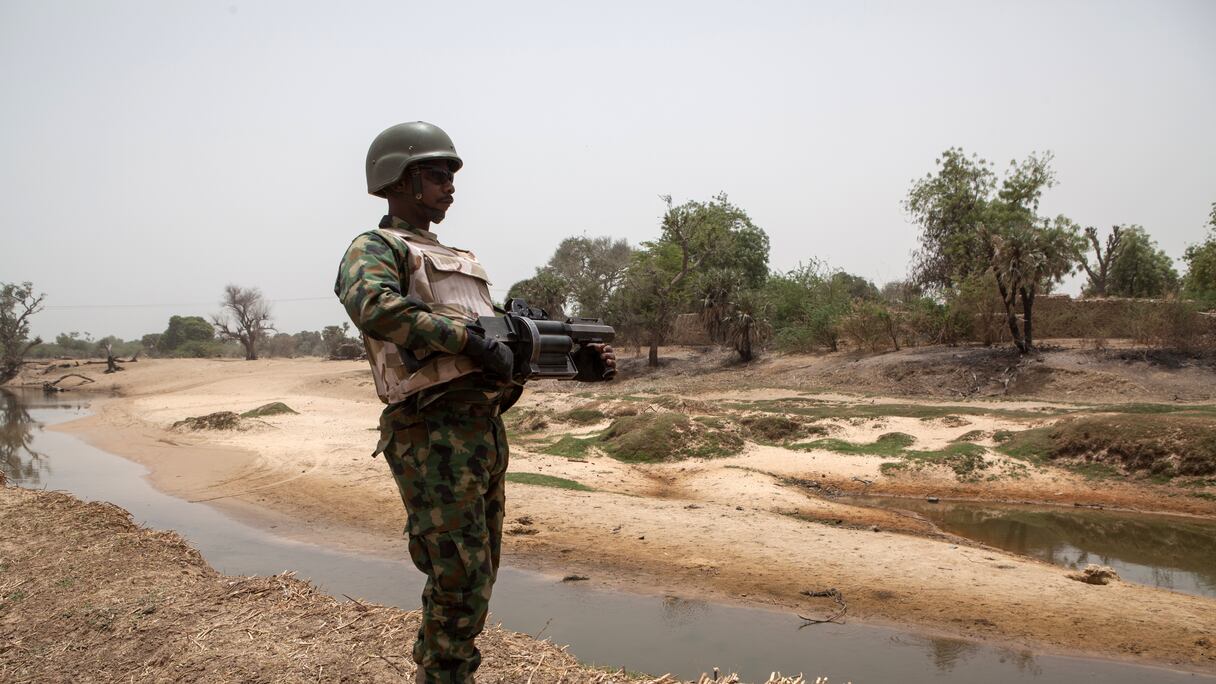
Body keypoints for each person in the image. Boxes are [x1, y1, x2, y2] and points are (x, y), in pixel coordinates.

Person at [334, 122, 614, 684]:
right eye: (437, 174)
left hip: (480, 429)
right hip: (431, 431)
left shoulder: (459, 259)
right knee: (457, 575)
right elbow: (374, 307)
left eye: (452, 175)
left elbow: (495, 349)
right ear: (401, 180)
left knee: (477, 574)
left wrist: (567, 364)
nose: (450, 185)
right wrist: (468, 340)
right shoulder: (377, 247)